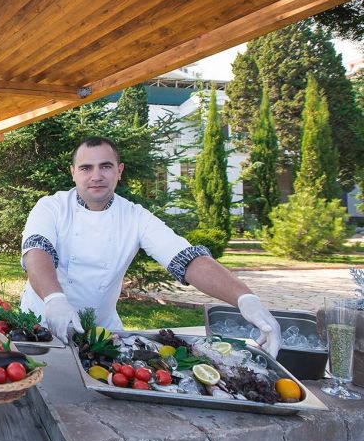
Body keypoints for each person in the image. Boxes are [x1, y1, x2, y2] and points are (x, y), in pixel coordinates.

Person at [20, 136, 281, 357]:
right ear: (73, 172)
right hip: (40, 326)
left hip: (101, 333)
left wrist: (245, 298)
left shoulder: (135, 216)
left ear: (119, 171)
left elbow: (185, 259)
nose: (96, 176)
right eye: (86, 168)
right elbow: (37, 252)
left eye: (106, 166)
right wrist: (54, 299)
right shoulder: (51, 207)